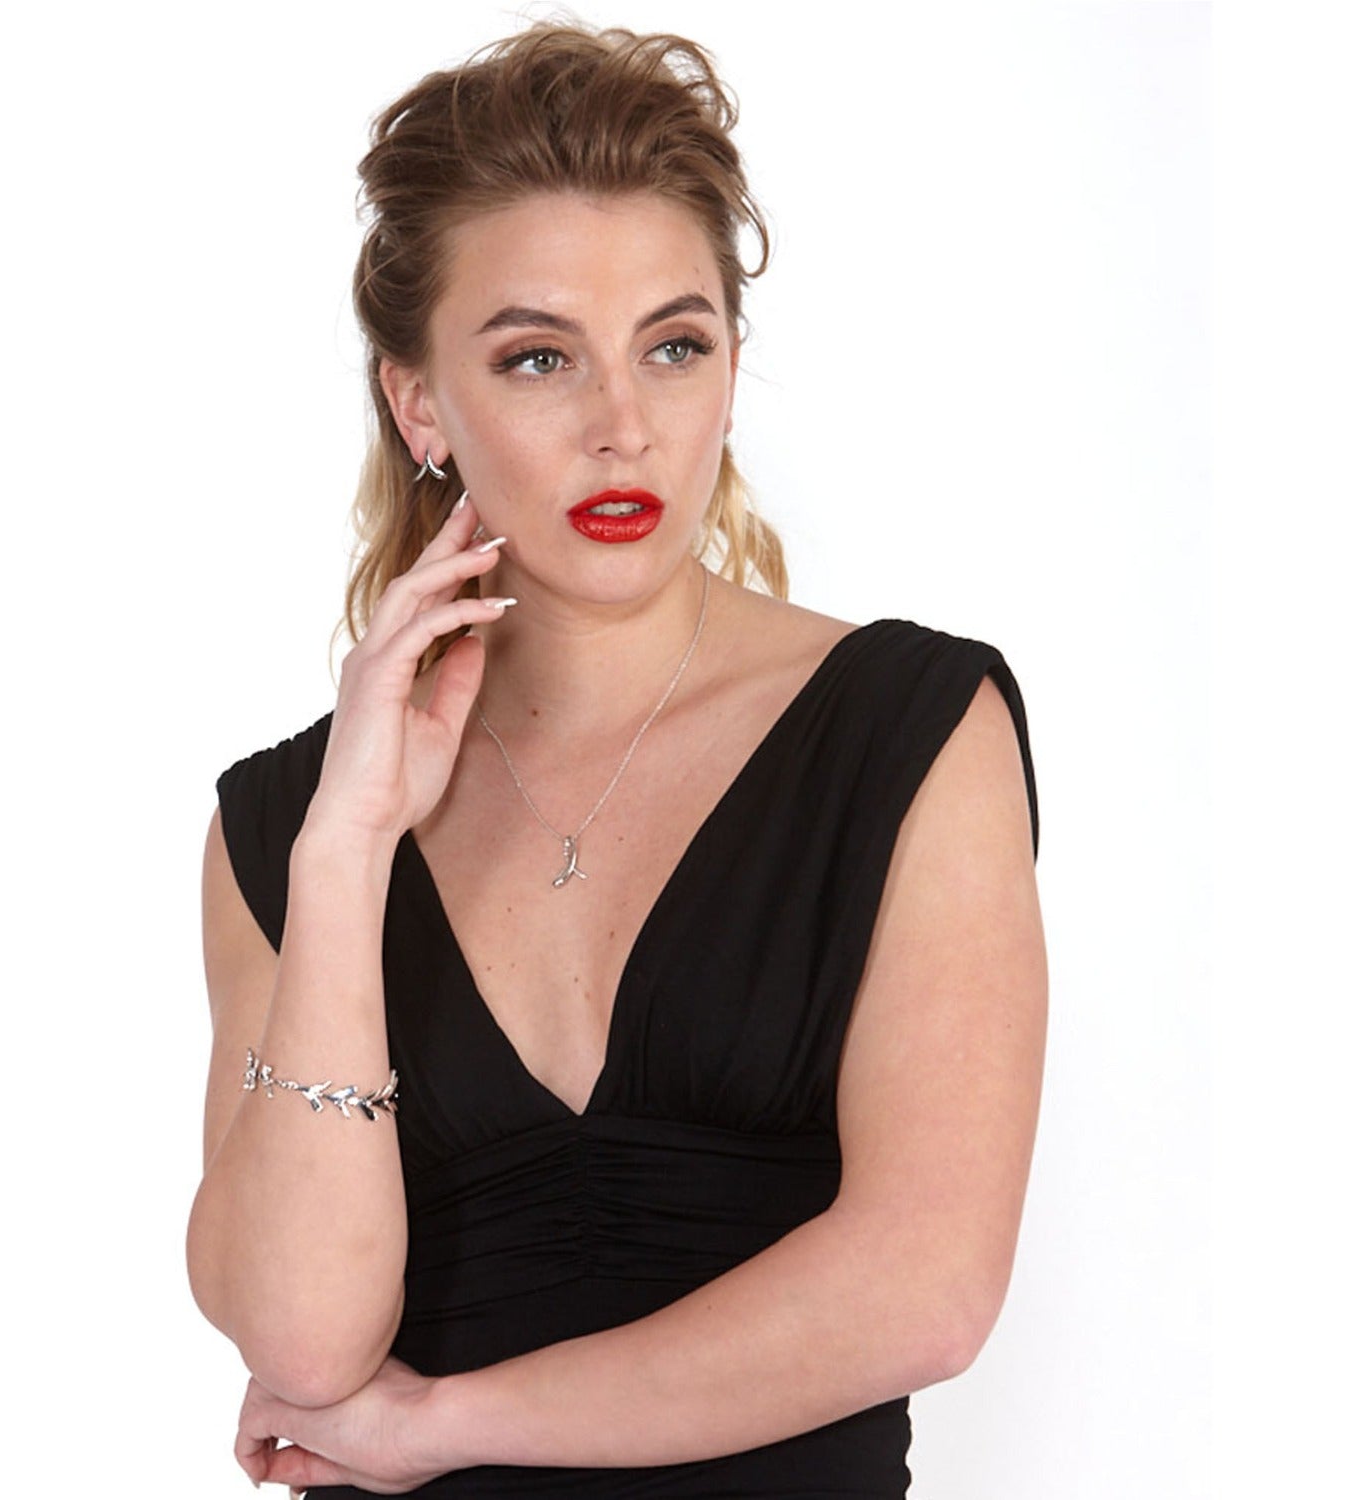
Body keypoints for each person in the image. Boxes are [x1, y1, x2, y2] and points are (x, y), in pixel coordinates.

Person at [187, 22, 1046, 1498]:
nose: (623, 427)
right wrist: (346, 855)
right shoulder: (288, 824)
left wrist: (444, 1424)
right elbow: (306, 1341)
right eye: (539, 358)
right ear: (418, 402)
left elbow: (927, 1289)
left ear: (730, 368)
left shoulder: (909, 731)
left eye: (674, 346)